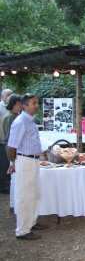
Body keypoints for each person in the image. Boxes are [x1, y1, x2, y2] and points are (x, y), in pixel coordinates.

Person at [7, 93, 47, 240]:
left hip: (34, 160)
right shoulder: (20, 122)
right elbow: (12, 146)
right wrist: (13, 162)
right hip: (24, 161)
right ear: (24, 105)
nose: (37, 106)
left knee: (35, 194)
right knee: (24, 196)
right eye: (33, 103)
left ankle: (32, 222)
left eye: (37, 103)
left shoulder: (30, 121)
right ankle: (22, 230)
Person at [3, 94, 22, 208]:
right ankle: (14, 205)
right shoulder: (10, 117)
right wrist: (11, 159)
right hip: (13, 154)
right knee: (15, 180)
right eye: (20, 103)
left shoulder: (15, 116)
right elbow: (9, 140)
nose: (21, 105)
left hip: (16, 153)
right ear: (14, 104)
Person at [0, 89, 13, 194]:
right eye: (8, 94)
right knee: (4, 164)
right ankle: (4, 186)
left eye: (11, 94)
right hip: (2, 140)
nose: (10, 96)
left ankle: (8, 184)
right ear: (2, 96)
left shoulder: (11, 108)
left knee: (9, 162)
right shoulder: (0, 107)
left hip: (10, 141)